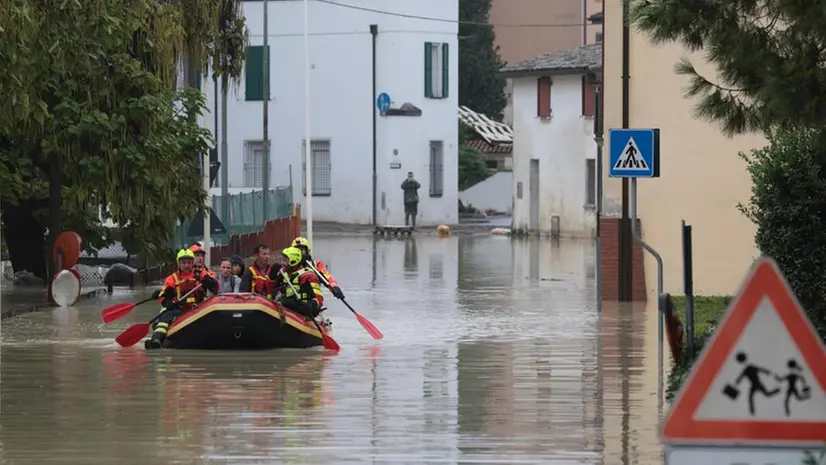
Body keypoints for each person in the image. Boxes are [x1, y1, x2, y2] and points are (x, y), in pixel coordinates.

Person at [146, 248, 219, 349]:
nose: (186, 265)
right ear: (178, 263)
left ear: (192, 263)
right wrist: (167, 303)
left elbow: (216, 288)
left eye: (189, 262)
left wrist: (210, 282)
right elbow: (162, 296)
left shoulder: (201, 274)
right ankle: (156, 340)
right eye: (183, 263)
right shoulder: (172, 279)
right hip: (179, 308)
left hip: (198, 307)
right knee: (164, 320)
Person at [275, 246, 324, 319]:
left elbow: (319, 298)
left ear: (293, 261)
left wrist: (311, 306)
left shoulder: (307, 276)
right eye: (282, 260)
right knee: (283, 301)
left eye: (285, 260)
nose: (282, 263)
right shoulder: (284, 274)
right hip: (289, 306)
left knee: (285, 302)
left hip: (303, 307)